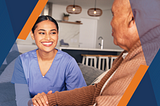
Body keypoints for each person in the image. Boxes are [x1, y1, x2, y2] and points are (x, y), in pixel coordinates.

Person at [32, 0, 160, 105]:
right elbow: (97, 91)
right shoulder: (133, 53)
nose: (110, 23)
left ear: (133, 18)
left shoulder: (148, 60)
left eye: (113, 15)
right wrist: (52, 99)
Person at [11, 15, 86, 106]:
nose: (48, 38)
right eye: (42, 33)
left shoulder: (68, 62)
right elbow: (21, 100)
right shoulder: (22, 61)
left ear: (57, 34)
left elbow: (79, 98)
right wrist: (35, 101)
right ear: (32, 35)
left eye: (52, 33)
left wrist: (51, 100)